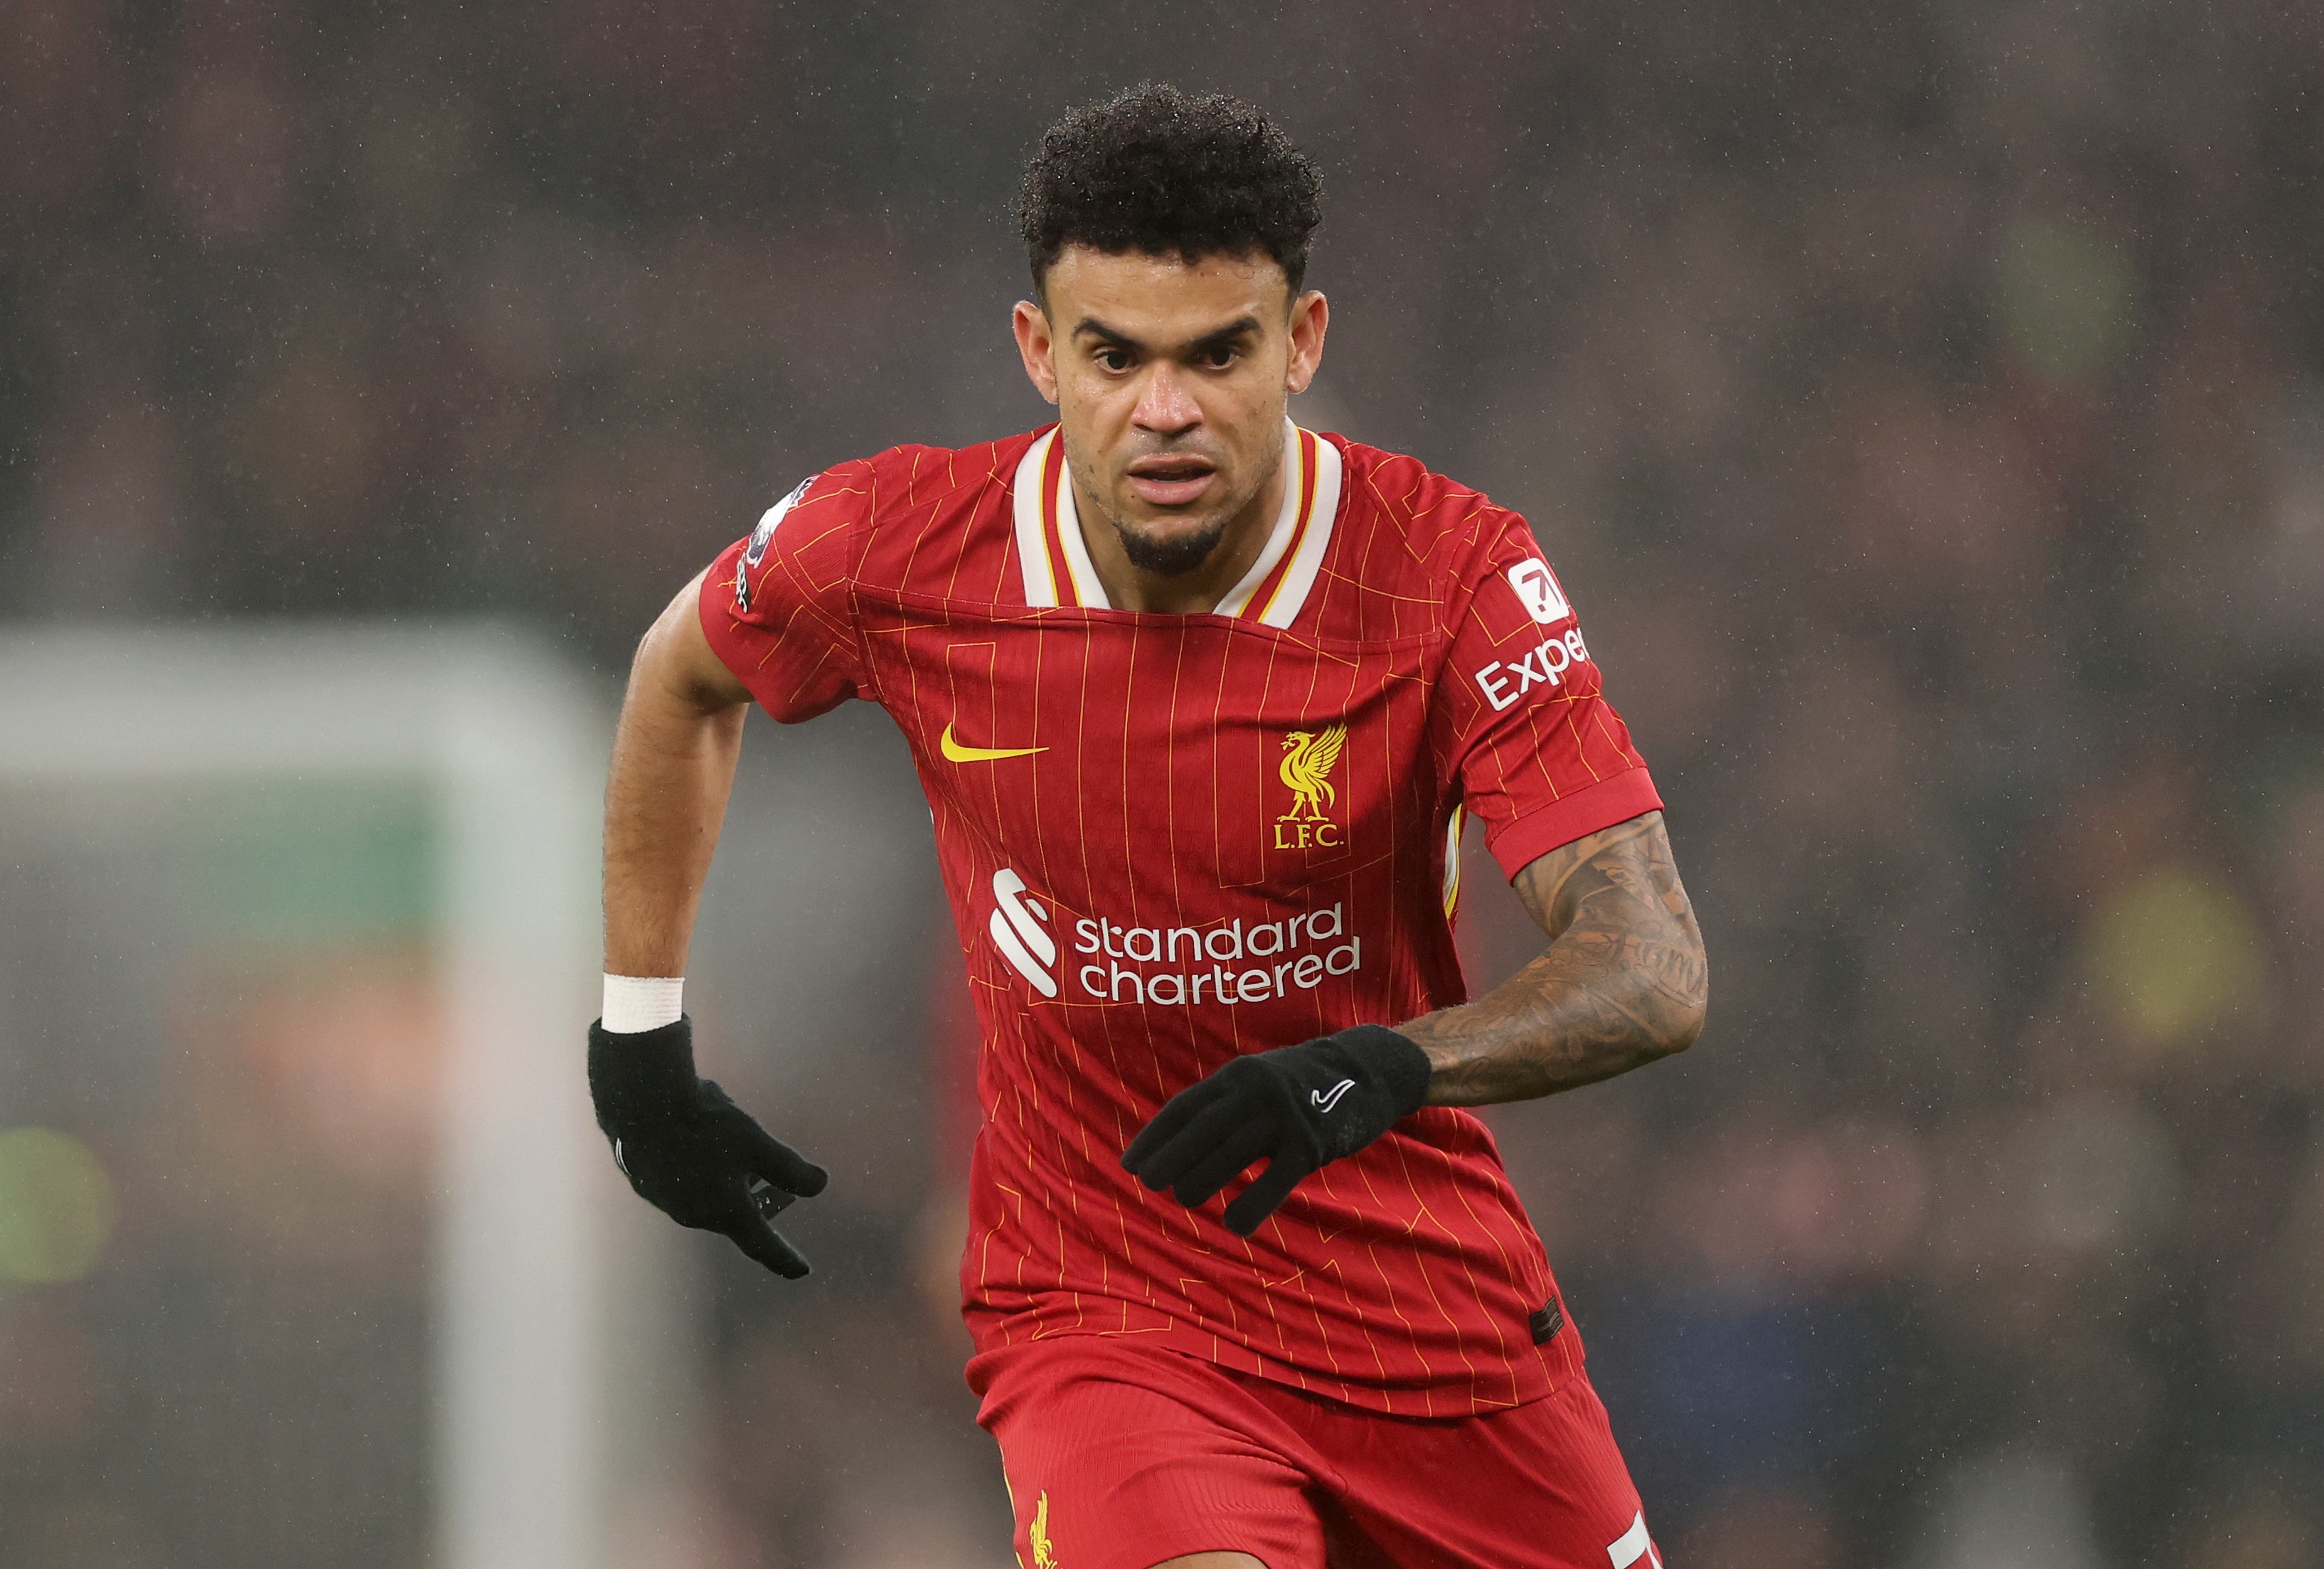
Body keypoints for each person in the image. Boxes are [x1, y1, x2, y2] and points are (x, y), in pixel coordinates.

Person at [588, 84, 1706, 1569]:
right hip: (1106, 1312)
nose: (1163, 409)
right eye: (1114, 355)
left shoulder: (1451, 575)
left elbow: (1652, 966)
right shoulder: (905, 547)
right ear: (1039, 351)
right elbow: (683, 672)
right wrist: (639, 1036)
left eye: (1216, 353)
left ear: (1301, 342)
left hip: (1427, 1313)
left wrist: (1379, 1065)